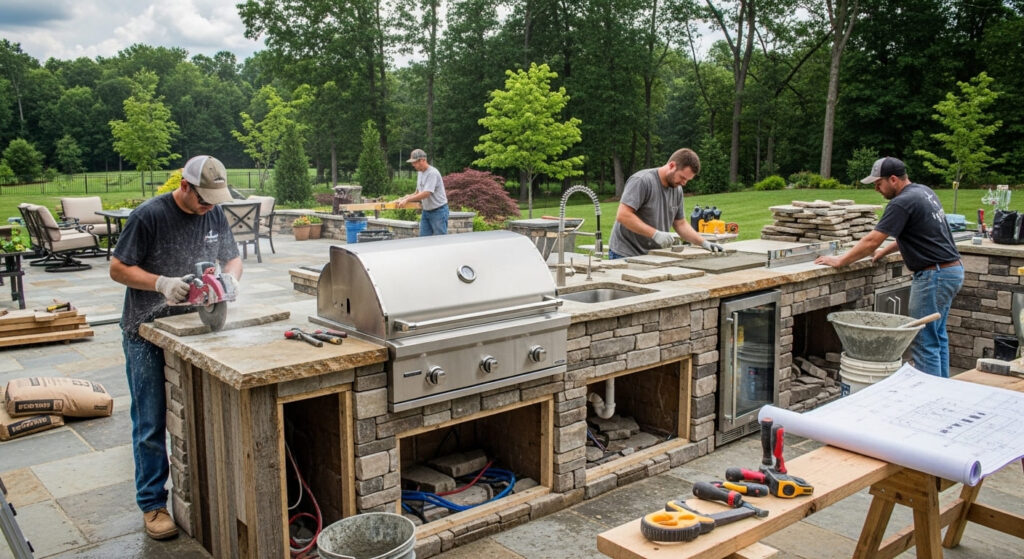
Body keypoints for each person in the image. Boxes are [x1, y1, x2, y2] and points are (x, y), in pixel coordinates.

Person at [109, 155, 243, 540]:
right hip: (145, 329)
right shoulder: (148, 216)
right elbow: (117, 268)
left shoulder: (214, 212)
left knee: (199, 415)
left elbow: (231, 258)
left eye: (214, 202)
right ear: (184, 186)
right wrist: (161, 284)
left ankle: (197, 495)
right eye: (203, 200)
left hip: (193, 325)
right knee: (151, 422)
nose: (208, 208)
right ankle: (152, 505)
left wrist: (230, 281)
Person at [815, 157, 963, 378]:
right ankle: (942, 389)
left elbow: (871, 241)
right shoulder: (923, 192)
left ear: (893, 179)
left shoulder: (902, 202)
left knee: (924, 342)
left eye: (878, 183)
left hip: (934, 276)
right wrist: (886, 250)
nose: (876, 189)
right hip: (950, 271)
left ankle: (931, 400)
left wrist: (840, 261)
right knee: (937, 336)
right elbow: (918, 234)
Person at [608, 148, 724, 258]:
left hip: (652, 254)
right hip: (626, 253)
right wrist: (655, 234)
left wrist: (703, 243)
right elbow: (623, 215)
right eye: (682, 177)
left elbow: (680, 224)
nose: (684, 183)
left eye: (687, 180)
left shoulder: (677, 189)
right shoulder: (642, 181)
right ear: (672, 165)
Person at [396, 148, 449, 236]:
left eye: (415, 162)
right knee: (423, 240)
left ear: (423, 160)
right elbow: (418, 192)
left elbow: (426, 193)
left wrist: (407, 200)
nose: (413, 165)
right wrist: (405, 197)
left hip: (438, 211)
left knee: (440, 241)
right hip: (426, 211)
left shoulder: (432, 173)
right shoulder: (420, 173)